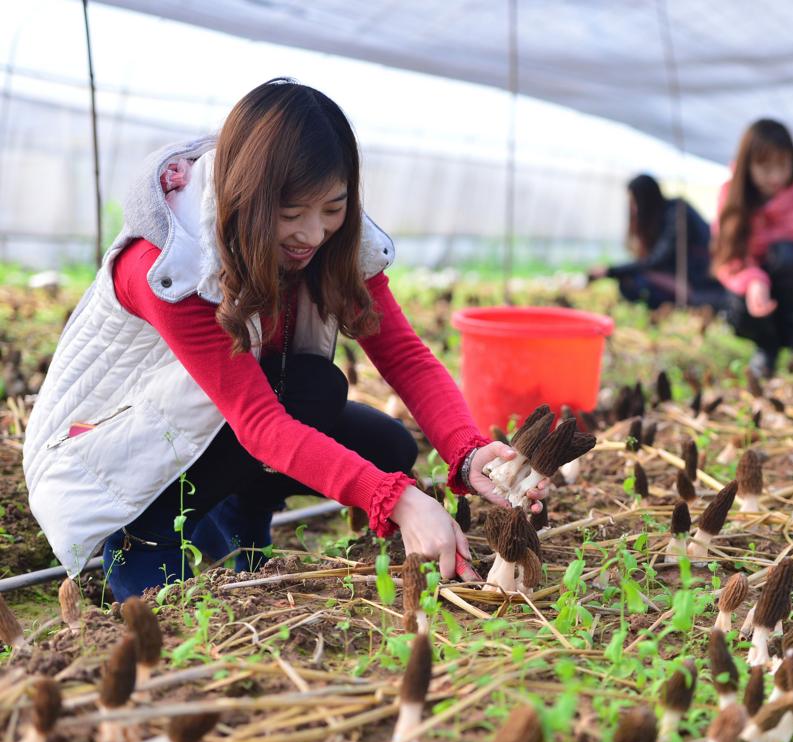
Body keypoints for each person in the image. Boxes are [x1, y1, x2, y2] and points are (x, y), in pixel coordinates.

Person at [22, 79, 545, 601]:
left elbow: (405, 356)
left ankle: (234, 507)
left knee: (372, 434)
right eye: (291, 214)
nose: (313, 235)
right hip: (105, 449)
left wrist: (467, 449)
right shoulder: (169, 268)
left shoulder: (336, 248)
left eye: (332, 209)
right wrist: (398, 501)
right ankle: (141, 537)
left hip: (208, 423)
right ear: (244, 194)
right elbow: (260, 424)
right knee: (306, 402)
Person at [712, 119, 793, 377]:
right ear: (747, 165)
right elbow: (726, 257)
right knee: (739, 306)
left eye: (782, 166)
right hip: (759, 294)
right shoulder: (731, 195)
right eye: (765, 167)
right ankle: (767, 346)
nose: (776, 177)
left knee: (787, 255)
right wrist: (752, 280)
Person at [589, 174, 726, 310]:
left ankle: (689, 297)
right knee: (629, 284)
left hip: (700, 277)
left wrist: (611, 271)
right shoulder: (662, 217)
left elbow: (657, 259)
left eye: (635, 202)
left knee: (636, 282)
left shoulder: (676, 213)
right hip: (683, 275)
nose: (634, 209)